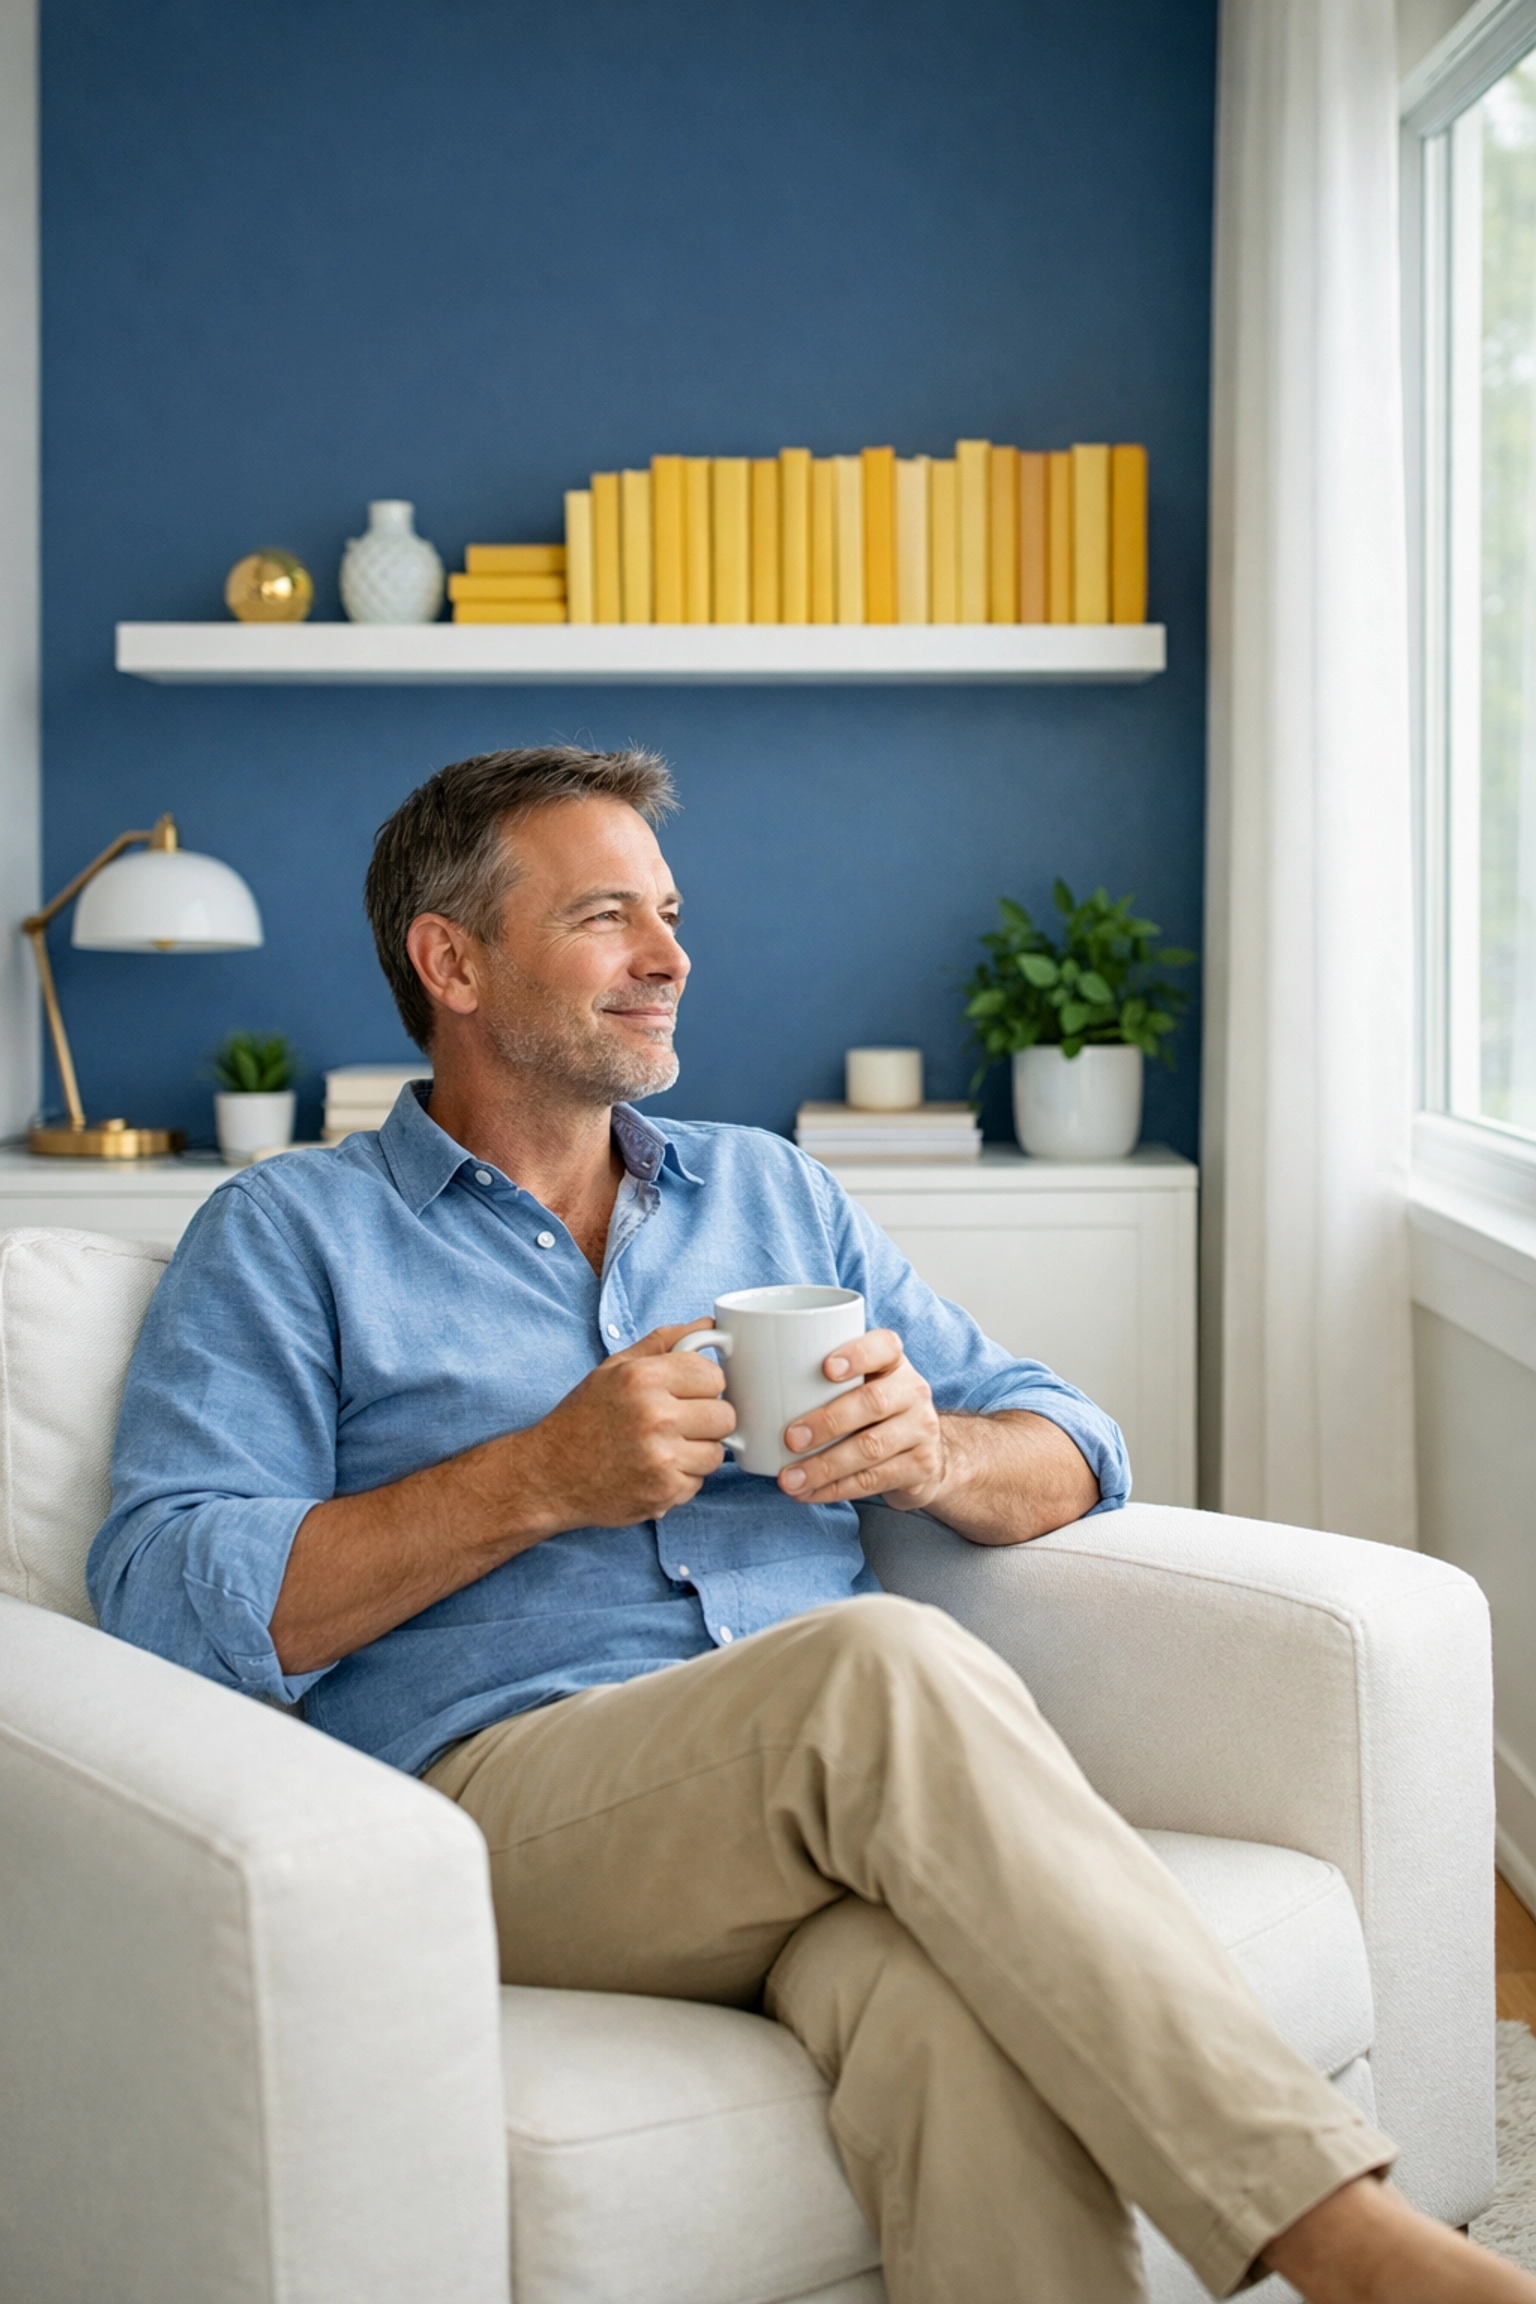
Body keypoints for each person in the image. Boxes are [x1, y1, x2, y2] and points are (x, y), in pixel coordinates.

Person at [90, 747, 1533, 2304]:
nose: (670, 958)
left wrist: (933, 1450)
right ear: (451, 960)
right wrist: (536, 1479)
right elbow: (167, 1595)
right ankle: (1346, 2241)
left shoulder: (769, 1194)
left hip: (831, 1815)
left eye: (669, 912)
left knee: (942, 2009)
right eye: (605, 919)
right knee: (877, 1666)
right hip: (502, 1805)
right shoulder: (293, 1233)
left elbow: (1074, 1442)